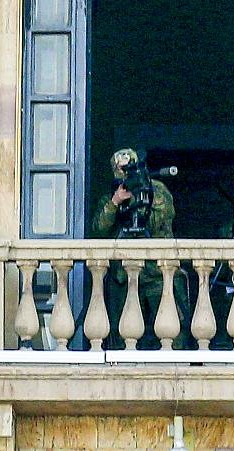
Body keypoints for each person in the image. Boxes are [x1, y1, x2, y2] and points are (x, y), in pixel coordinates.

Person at [91, 148, 189, 349]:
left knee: (172, 330)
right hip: (125, 276)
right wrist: (115, 202)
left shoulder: (156, 190)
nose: (126, 174)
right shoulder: (112, 196)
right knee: (124, 333)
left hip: (158, 273)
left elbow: (163, 219)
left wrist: (143, 194)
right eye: (121, 170)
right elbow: (99, 229)